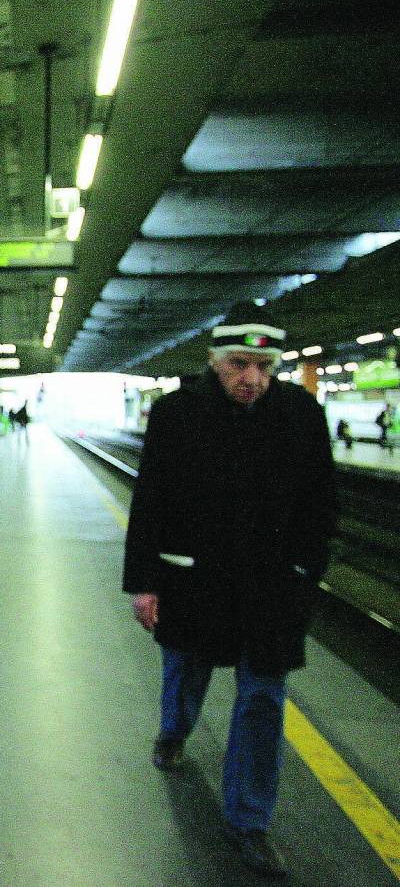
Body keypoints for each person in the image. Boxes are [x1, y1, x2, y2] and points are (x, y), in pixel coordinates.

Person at [123, 305, 336, 879]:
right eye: (239, 364)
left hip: (271, 586)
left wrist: (304, 570)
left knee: (263, 698)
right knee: (185, 669)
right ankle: (174, 731)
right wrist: (143, 583)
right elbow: (150, 503)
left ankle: (249, 821)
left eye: (264, 366)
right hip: (195, 580)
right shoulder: (176, 414)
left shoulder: (301, 415)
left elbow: (321, 503)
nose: (252, 379)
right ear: (214, 361)